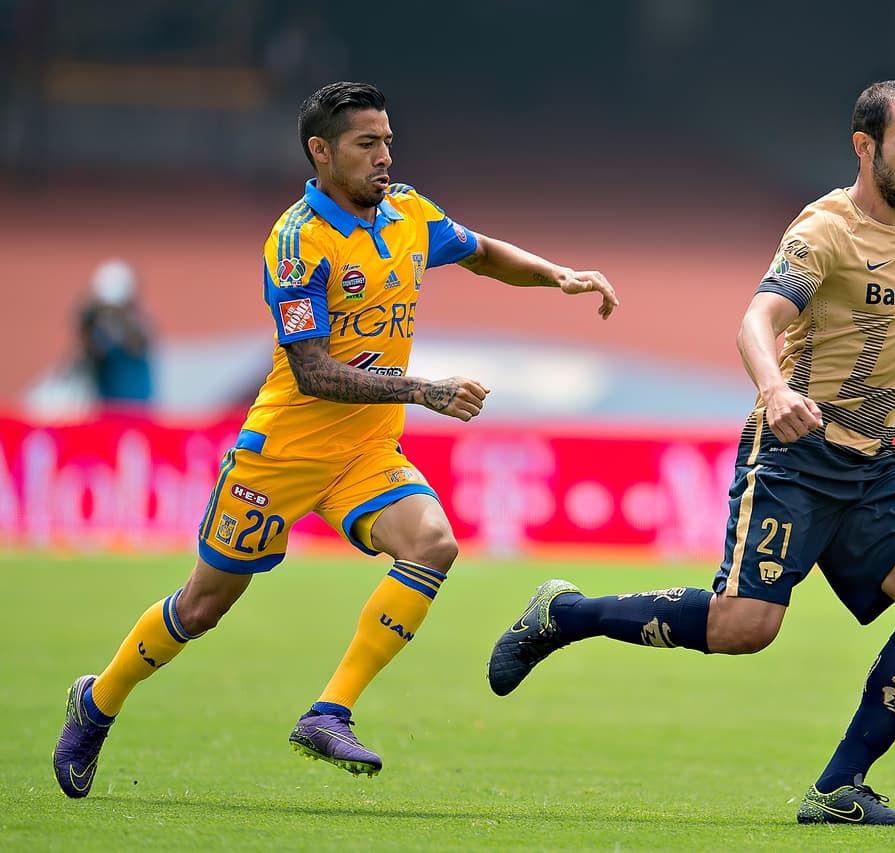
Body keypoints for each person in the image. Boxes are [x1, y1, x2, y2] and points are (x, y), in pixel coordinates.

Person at [487, 80, 895, 826]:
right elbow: (758, 316)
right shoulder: (823, 231)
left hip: (871, 464)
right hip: (797, 451)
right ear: (865, 146)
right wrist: (776, 388)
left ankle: (840, 787)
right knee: (746, 626)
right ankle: (565, 614)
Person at [53, 80, 619, 799]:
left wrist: (557, 276)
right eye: (366, 144)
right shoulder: (297, 242)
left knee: (433, 543)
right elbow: (314, 371)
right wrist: (423, 388)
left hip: (365, 453)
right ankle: (96, 702)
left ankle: (329, 710)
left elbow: (478, 252)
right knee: (201, 607)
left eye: (388, 141)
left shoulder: (408, 212)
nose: (385, 156)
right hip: (282, 453)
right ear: (321, 152)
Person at [78, 258, 154, 406]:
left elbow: (138, 342)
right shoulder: (100, 328)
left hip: (133, 410)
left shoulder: (136, 327)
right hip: (111, 410)